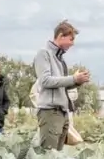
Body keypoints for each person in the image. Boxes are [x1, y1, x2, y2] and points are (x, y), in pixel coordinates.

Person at [32, 20, 90, 151]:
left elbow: (61, 85)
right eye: (71, 39)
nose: (72, 43)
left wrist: (77, 81)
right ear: (61, 36)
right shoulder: (44, 53)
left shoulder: (60, 58)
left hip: (62, 112)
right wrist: (72, 78)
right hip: (50, 112)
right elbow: (45, 81)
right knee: (48, 156)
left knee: (57, 157)